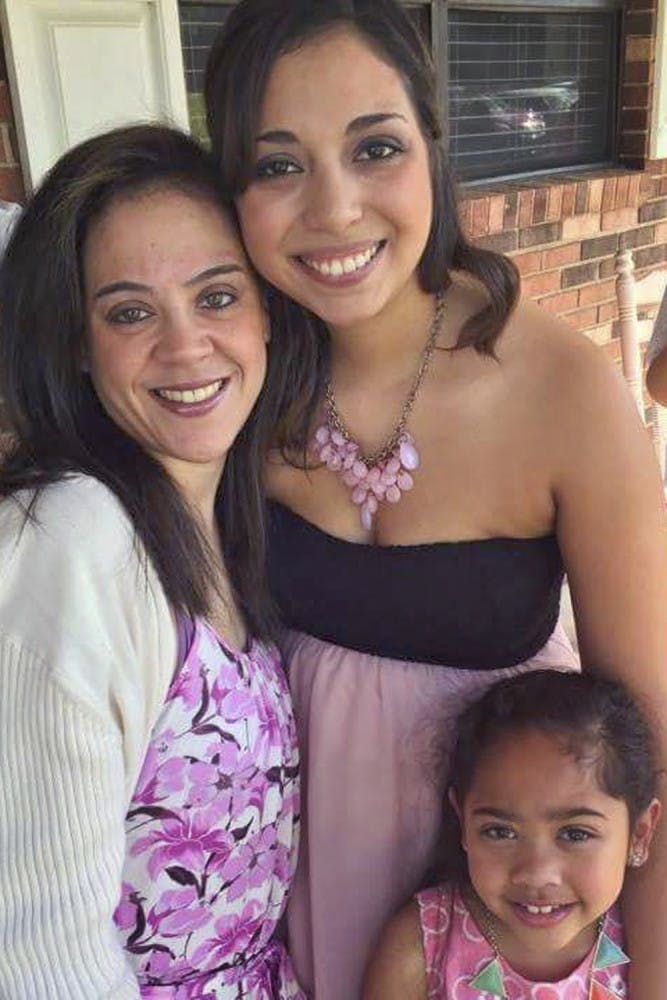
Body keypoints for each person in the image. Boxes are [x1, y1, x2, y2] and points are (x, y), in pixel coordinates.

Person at [204, 1, 667, 996]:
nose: (333, 210)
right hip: (291, 891)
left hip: (518, 915)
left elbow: (655, 737)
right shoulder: (223, 383)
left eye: (374, 147)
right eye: (278, 164)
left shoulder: (561, 387)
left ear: (433, 147)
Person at [0, 125, 304, 999]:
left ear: (264, 314)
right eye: (130, 312)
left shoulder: (222, 518)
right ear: (74, 343)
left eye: (216, 297)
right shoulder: (72, 539)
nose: (185, 345)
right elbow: (36, 950)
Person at [363, 670, 661, 999]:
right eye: (500, 832)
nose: (537, 874)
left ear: (640, 833)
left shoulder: (647, 936)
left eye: (575, 834)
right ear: (463, 822)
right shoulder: (420, 947)